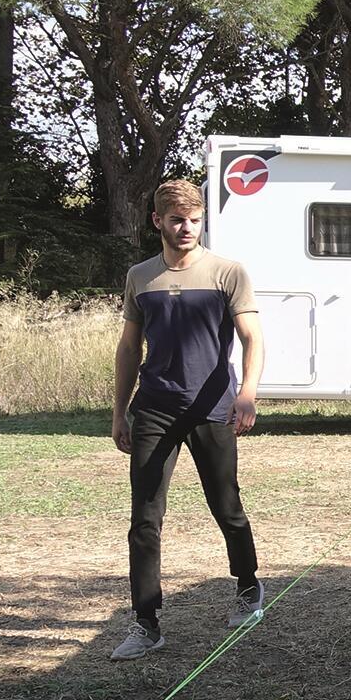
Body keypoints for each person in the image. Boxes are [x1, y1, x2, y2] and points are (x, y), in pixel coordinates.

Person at [110, 178, 267, 660]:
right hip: (154, 409)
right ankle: (146, 622)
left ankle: (247, 586)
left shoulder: (227, 272)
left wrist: (246, 393)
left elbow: (252, 338)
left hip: (212, 408)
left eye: (195, 220)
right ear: (157, 221)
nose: (186, 228)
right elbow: (128, 348)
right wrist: (119, 411)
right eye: (177, 220)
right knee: (145, 518)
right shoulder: (141, 276)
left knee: (226, 505)